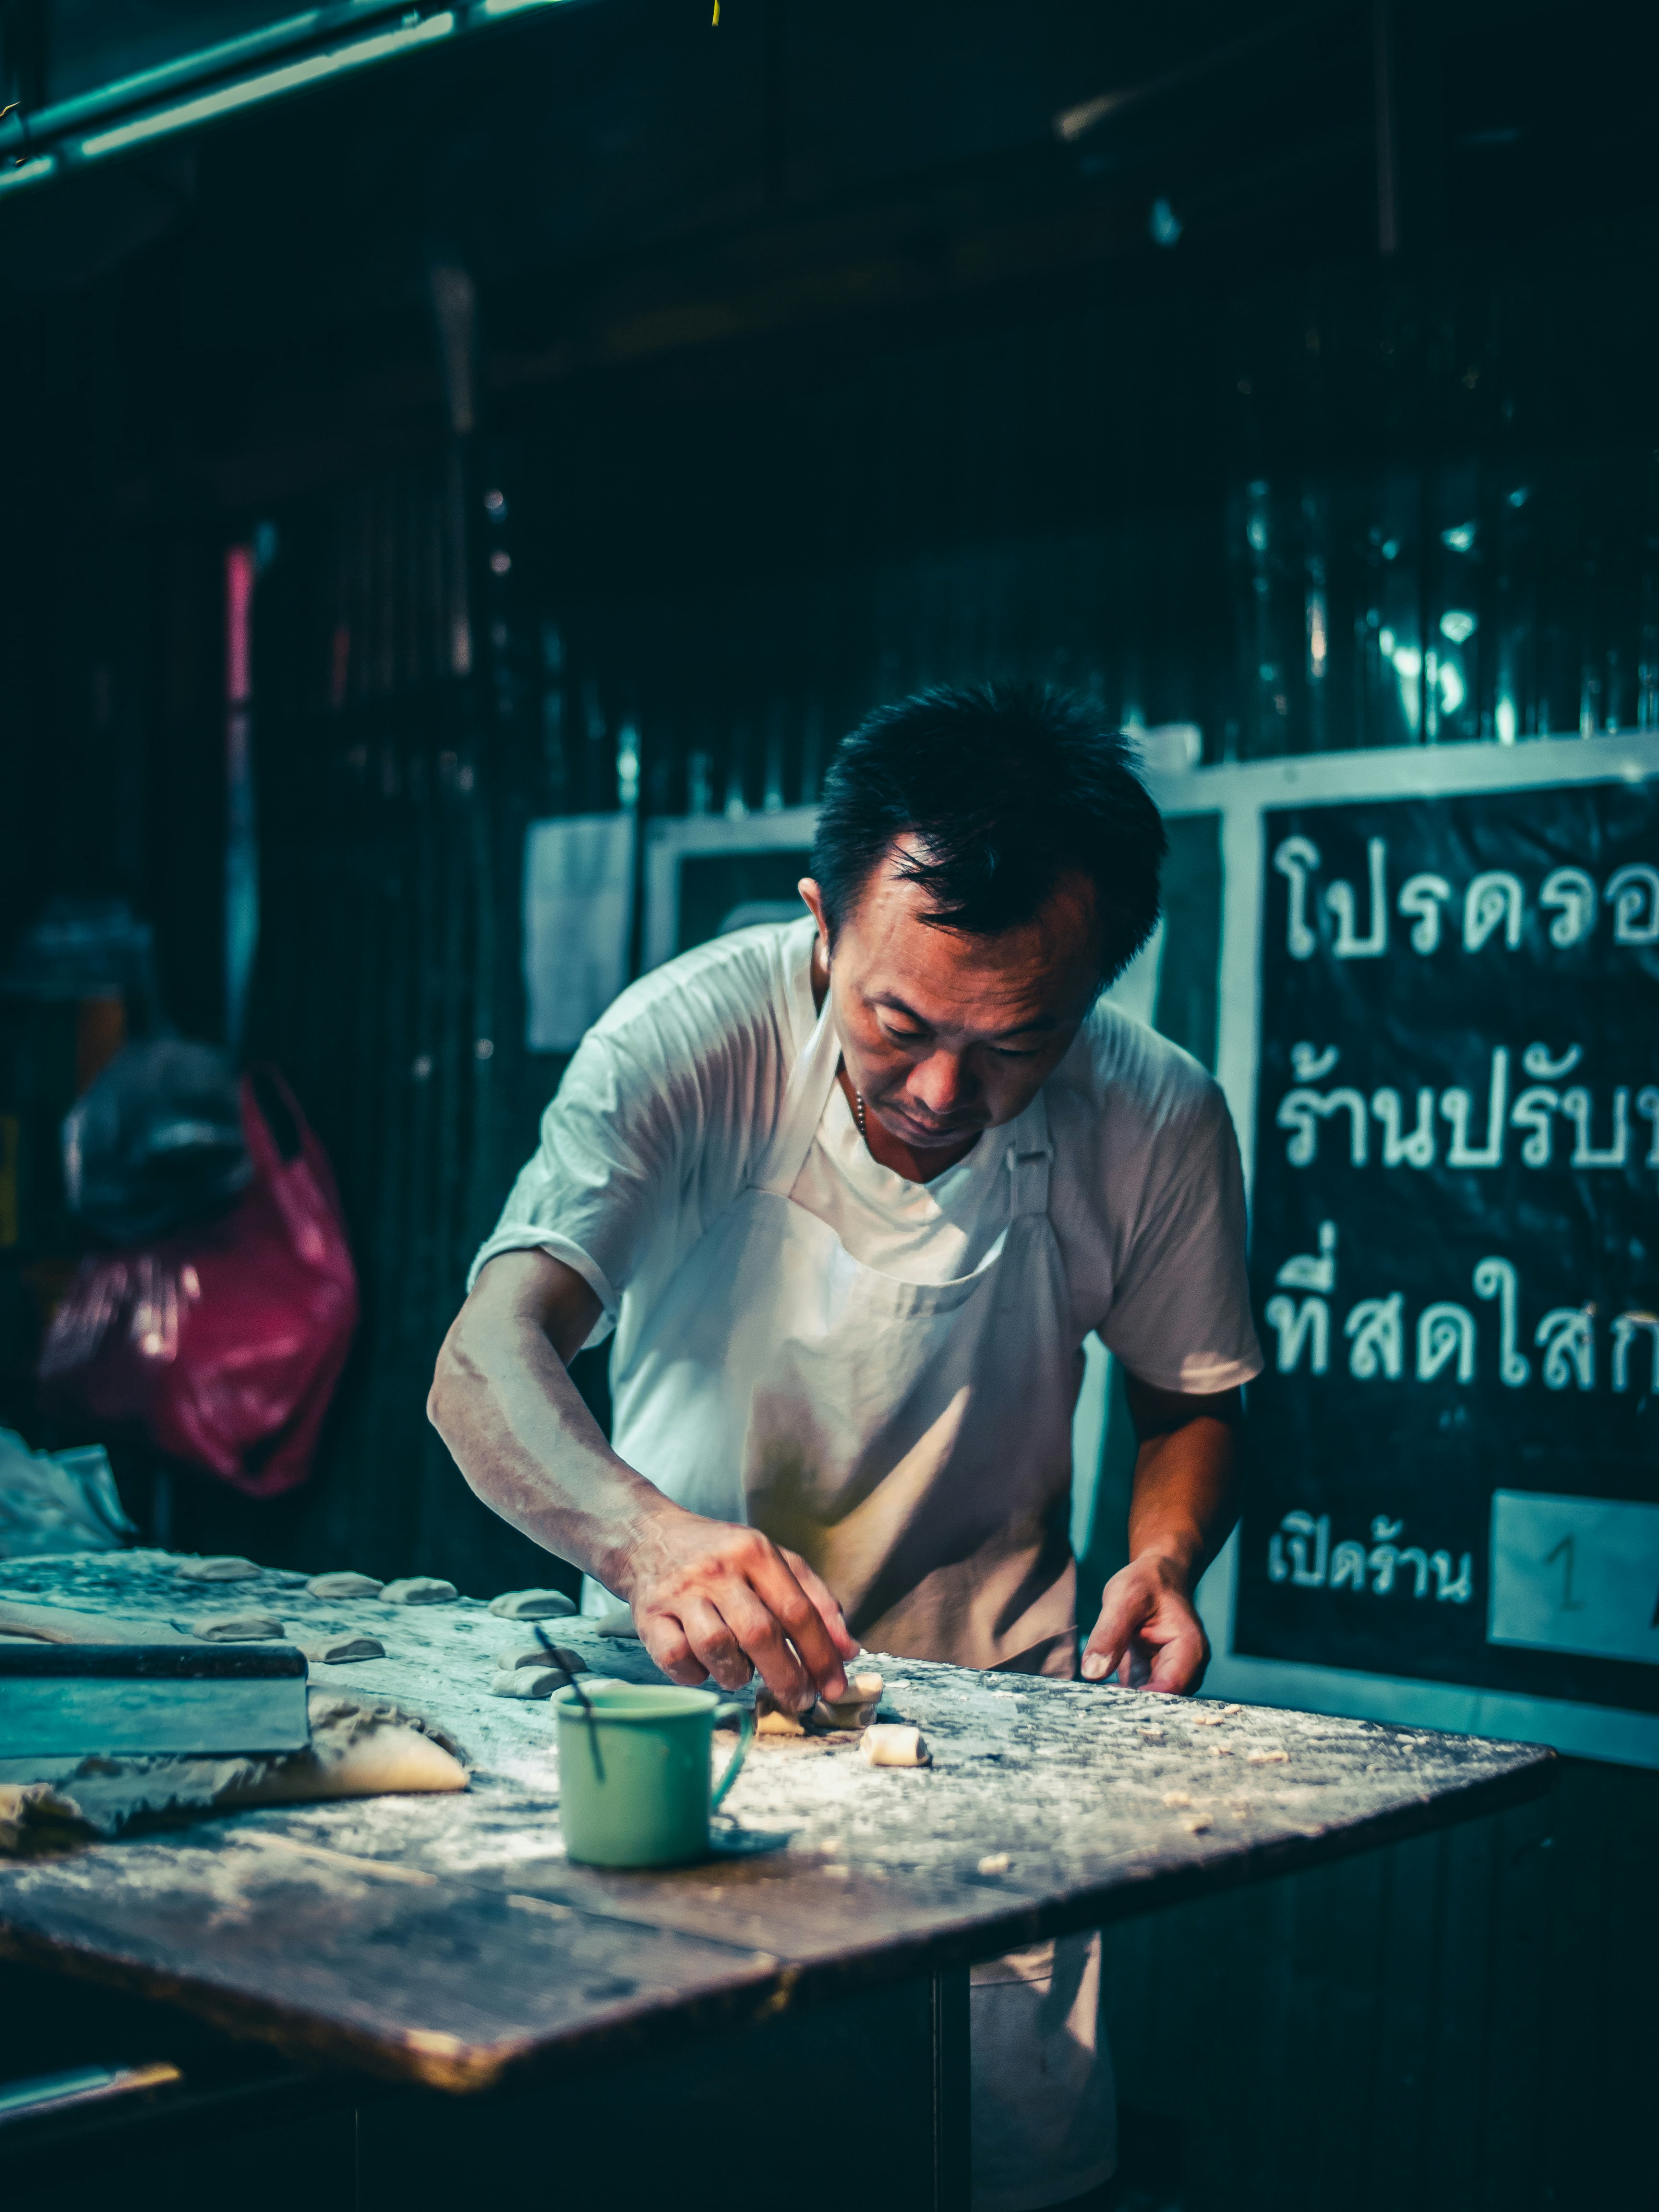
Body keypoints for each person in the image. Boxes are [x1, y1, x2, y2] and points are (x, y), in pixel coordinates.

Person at [431, 681, 1262, 2212]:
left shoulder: (1157, 1117)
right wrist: (649, 1541)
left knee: (990, 2169)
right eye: (900, 1024)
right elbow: (484, 1362)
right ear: (823, 923)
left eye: (1016, 1043)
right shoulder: (688, 1041)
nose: (943, 1093)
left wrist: (1165, 1556)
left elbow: (1190, 1395)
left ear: (1094, 992)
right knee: (666, 2161)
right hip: (670, 1727)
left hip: (988, 1744)